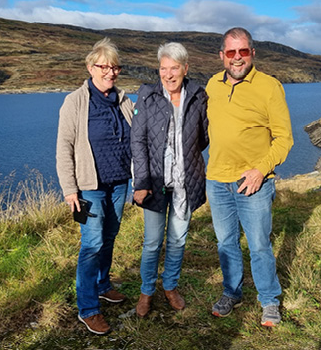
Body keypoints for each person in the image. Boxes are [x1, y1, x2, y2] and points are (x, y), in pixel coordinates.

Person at [205, 27, 294, 327]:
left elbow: (283, 138)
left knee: (259, 245)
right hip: (217, 180)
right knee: (226, 243)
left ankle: (269, 301)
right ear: (222, 56)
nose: (237, 58)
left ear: (252, 53)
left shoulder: (270, 87)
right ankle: (232, 292)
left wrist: (261, 170)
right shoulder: (212, 85)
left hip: (253, 182)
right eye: (231, 53)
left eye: (243, 51)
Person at [56, 37, 133, 335]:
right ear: (90, 67)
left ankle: (102, 285)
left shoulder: (125, 101)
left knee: (110, 237)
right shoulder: (74, 102)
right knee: (92, 244)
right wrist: (69, 189)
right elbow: (64, 147)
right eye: (104, 66)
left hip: (118, 182)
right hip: (89, 186)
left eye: (115, 67)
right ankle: (88, 308)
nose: (110, 72)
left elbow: (138, 136)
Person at [131, 42, 208, 316]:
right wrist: (140, 182)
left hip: (185, 183)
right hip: (154, 183)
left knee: (177, 240)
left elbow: (203, 138)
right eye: (163, 68)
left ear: (185, 68)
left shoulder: (198, 95)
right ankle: (146, 291)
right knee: (153, 242)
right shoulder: (147, 97)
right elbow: (137, 141)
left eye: (174, 68)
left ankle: (171, 286)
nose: (168, 74)